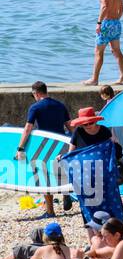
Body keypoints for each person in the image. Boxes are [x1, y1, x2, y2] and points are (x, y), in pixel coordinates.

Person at [14, 82, 71, 217]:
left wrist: (20, 148)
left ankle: (50, 211)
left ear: (36, 93)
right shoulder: (60, 105)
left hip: (44, 145)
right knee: (60, 171)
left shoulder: (35, 107)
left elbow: (28, 128)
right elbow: (69, 126)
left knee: (44, 177)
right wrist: (76, 142)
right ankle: (66, 193)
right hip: (60, 143)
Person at [85, 0, 123, 86]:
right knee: (117, 51)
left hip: (106, 23)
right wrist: (116, 19)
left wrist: (99, 23)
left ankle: (94, 79)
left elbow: (104, 6)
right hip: (116, 23)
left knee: (99, 51)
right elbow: (122, 9)